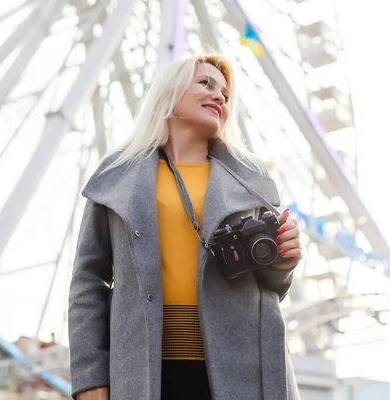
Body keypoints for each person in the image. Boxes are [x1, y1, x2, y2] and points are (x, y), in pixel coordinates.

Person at [68, 54, 303, 400]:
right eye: (205, 83)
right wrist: (90, 378)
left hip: (243, 368)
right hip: (144, 372)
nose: (220, 96)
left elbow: (271, 286)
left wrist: (283, 263)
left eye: (224, 92)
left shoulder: (251, 180)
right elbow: (87, 281)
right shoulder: (117, 177)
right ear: (168, 93)